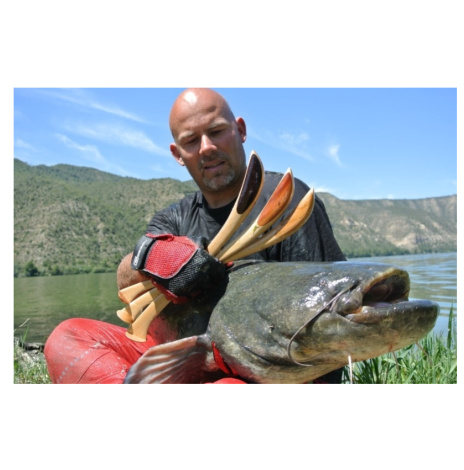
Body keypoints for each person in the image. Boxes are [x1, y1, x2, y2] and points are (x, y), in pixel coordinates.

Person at [44, 88, 346, 384]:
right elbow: (126, 280)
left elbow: (325, 312)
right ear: (177, 154)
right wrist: (153, 255)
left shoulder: (285, 202)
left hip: (253, 368)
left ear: (240, 130)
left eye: (217, 131)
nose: (206, 147)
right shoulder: (174, 218)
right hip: (177, 352)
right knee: (67, 338)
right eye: (191, 140)